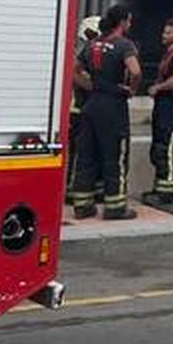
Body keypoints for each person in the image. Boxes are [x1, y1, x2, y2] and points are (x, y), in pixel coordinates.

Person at [70, 4, 142, 221]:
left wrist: (91, 86)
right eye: (129, 21)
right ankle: (115, 207)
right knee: (115, 156)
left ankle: (82, 205)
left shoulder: (92, 44)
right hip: (113, 105)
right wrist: (131, 90)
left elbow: (74, 70)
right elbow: (135, 71)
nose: (130, 24)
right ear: (122, 22)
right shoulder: (124, 45)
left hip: (91, 104)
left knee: (87, 155)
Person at [142, 17, 173, 207]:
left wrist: (158, 87)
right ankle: (159, 188)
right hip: (162, 106)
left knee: (167, 150)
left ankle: (166, 193)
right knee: (158, 149)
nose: (164, 35)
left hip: (172, 107)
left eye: (168, 32)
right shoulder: (167, 54)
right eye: (164, 32)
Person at [65, 14, 101, 205]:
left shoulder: (85, 52)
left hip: (83, 110)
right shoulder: (82, 54)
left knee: (81, 153)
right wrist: (99, 86)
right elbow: (78, 78)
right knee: (77, 153)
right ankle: (71, 189)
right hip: (77, 110)